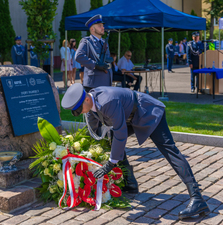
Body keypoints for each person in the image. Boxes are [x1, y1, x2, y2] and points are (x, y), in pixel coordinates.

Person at [61, 83, 210, 219]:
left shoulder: (107, 102)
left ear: (86, 99)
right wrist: (81, 152)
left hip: (149, 112)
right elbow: (95, 134)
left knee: (170, 151)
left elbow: (120, 132)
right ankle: (130, 183)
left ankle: (197, 198)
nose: (77, 113)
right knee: (110, 139)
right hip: (132, 117)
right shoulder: (90, 108)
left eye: (77, 110)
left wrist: (111, 163)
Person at [75, 14, 112, 92]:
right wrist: (95, 65)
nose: (103, 28)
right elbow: (78, 56)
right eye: (99, 26)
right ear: (92, 29)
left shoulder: (104, 43)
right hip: (93, 83)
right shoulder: (87, 41)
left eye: (102, 25)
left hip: (106, 82)